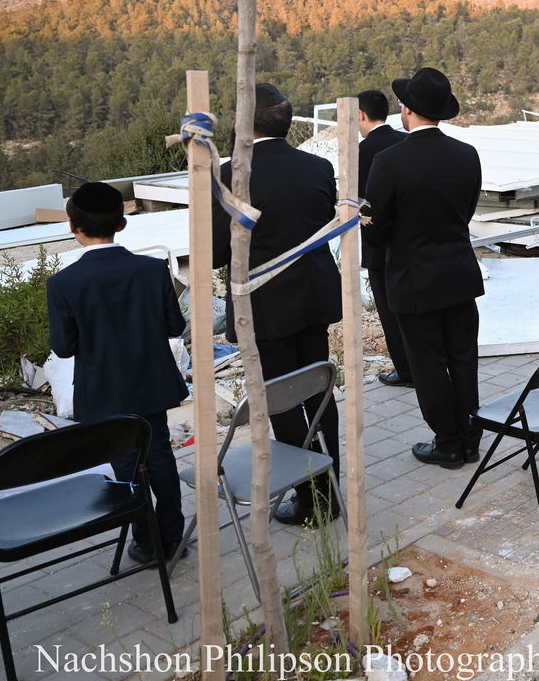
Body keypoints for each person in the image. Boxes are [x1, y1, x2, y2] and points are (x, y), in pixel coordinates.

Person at [212, 83, 343, 525]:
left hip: (265, 304)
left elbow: (216, 251)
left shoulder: (232, 175)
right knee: (318, 393)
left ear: (243, 127)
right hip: (314, 295)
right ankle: (331, 487)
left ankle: (312, 501)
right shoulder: (318, 166)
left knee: (283, 402)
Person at [47, 182, 190, 563]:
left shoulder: (63, 284)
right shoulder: (151, 270)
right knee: (159, 453)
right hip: (152, 382)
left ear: (73, 227)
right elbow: (176, 327)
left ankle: (147, 541)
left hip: (105, 390)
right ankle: (173, 537)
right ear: (122, 224)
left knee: (127, 464)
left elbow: (63, 347)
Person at [363, 67, 486, 467]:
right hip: (459, 273)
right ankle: (471, 436)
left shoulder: (388, 161)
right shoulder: (467, 154)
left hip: (415, 281)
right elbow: (465, 212)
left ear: (407, 109)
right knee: (464, 358)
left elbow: (375, 228)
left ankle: (448, 443)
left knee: (428, 364)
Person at [356, 89, 410, 387]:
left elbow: (364, 201)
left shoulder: (364, 151)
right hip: (408, 241)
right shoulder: (404, 141)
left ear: (361, 115)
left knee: (390, 315)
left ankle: (405, 369)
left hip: (380, 244)